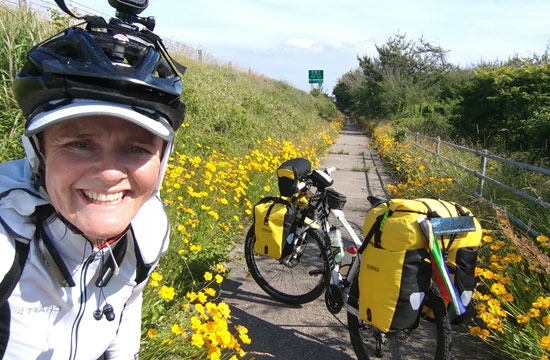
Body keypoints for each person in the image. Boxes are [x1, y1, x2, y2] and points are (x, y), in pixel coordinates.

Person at [0, 5, 185, 359]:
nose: (109, 173)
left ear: (161, 162)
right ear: (37, 152)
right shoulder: (6, 239)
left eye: (136, 148)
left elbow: (128, 299)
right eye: (79, 144)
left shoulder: (149, 226)